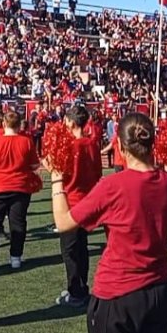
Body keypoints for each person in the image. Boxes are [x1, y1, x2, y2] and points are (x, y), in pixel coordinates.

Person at [49, 112, 167, 333]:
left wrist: (57, 179)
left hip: (117, 294)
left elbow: (64, 222)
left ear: (119, 145)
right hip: (160, 291)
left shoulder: (113, 186)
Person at [0, 112, 41, 271]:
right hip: (20, 187)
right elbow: (34, 166)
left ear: (4, 124)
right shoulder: (27, 142)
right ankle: (16, 257)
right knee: (18, 223)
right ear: (19, 125)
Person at [52, 105, 102, 305]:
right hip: (88, 201)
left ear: (71, 123)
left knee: (70, 251)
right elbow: (97, 173)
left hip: (71, 202)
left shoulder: (71, 146)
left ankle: (76, 292)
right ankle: (81, 287)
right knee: (81, 248)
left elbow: (62, 174)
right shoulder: (92, 144)